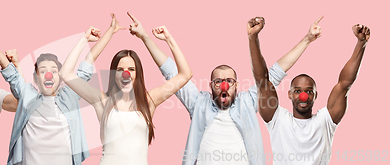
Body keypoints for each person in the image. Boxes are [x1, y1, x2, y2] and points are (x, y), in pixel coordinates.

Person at [156, 16, 323, 165]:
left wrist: (307, 39)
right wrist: (150, 38)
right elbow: (171, 72)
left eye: (229, 81)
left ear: (236, 85)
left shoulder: (248, 102)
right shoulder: (198, 102)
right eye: (218, 81)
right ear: (210, 86)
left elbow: (276, 72)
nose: (224, 85)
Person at [0, 21, 102, 165]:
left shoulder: (69, 95)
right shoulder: (28, 96)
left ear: (61, 77)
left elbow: (86, 67)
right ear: (35, 78)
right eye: (43, 71)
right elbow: (6, 66)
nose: (48, 75)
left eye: (53, 71)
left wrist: (88, 38)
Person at [59, 12, 193, 165]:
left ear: (138, 74)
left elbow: (185, 74)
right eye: (120, 69)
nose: (126, 73)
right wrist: (84, 39)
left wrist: (157, 38)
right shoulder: (102, 100)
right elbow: (66, 73)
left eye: (131, 69)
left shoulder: (149, 101)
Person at [261, 23, 370, 165]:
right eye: (297, 91)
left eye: (309, 91)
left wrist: (361, 43)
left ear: (316, 96)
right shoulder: (278, 120)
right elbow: (262, 82)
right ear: (289, 94)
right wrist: (253, 38)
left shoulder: (325, 120)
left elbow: (344, 84)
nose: (303, 96)